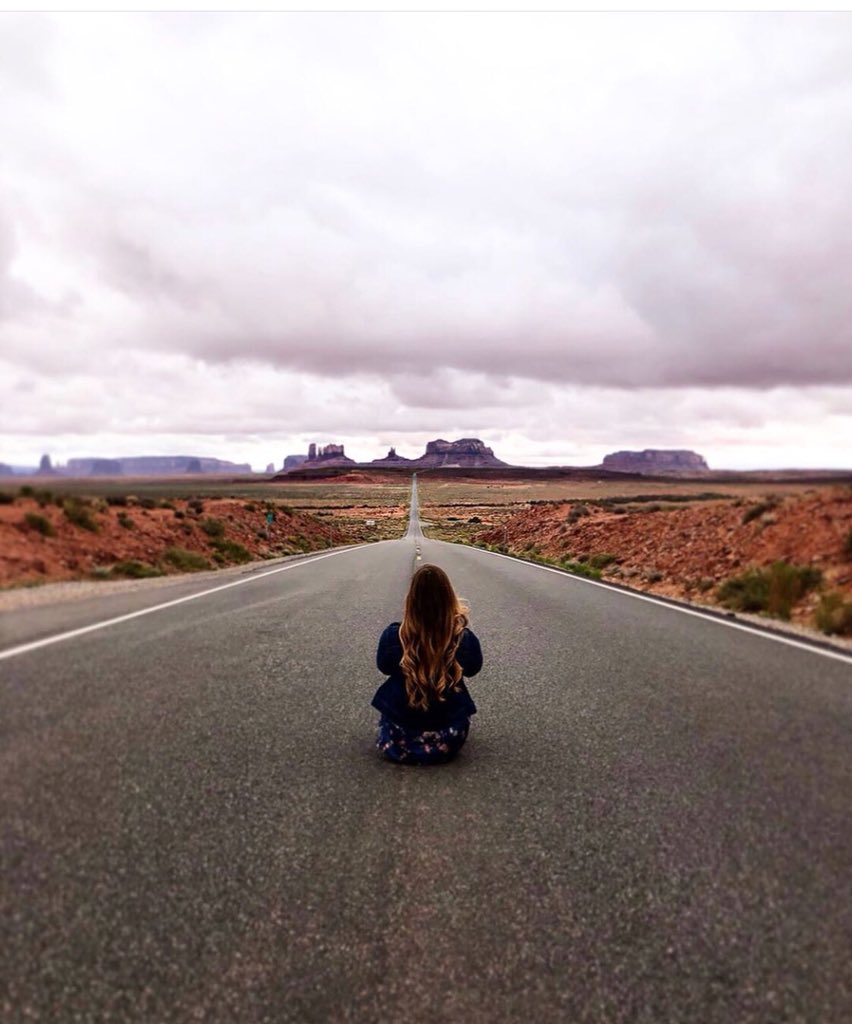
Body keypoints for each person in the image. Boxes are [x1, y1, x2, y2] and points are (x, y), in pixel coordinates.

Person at [372, 564, 483, 765]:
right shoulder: (462, 639)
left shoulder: (394, 636)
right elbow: (474, 668)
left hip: (399, 738)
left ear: (411, 601)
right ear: (449, 598)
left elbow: (384, 666)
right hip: (449, 736)